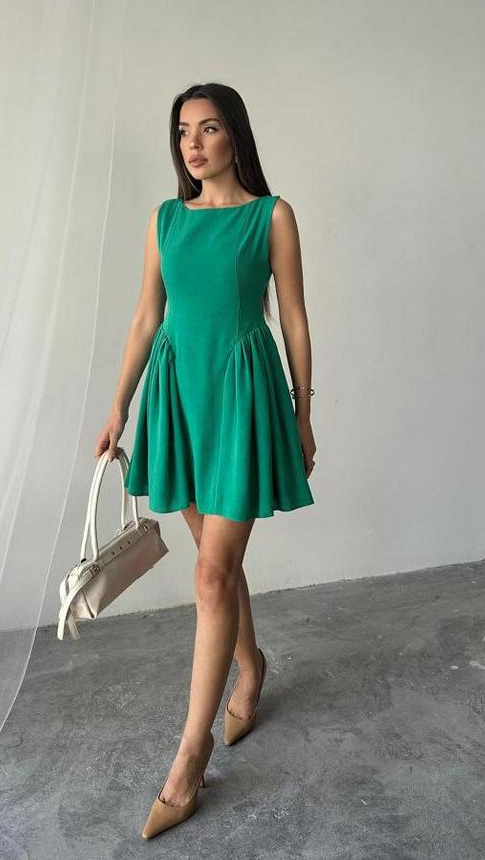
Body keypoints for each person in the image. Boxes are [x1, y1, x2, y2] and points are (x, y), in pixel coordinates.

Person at [93, 82, 317, 839]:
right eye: (184, 130)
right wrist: (119, 406)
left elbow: (292, 316)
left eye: (209, 128)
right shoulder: (165, 219)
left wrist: (303, 411)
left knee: (213, 573)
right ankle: (251, 666)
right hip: (177, 397)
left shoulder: (271, 216)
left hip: (242, 397)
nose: (193, 143)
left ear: (235, 137)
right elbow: (146, 316)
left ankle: (189, 758)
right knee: (214, 564)